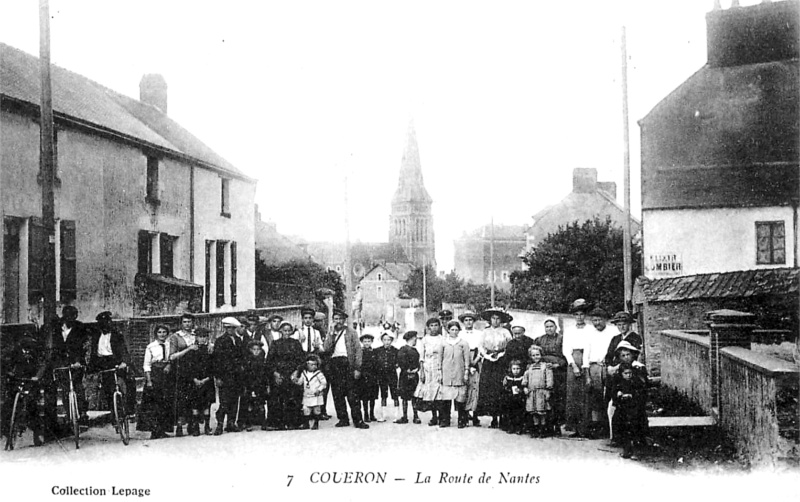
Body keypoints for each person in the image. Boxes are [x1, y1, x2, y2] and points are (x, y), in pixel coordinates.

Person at [323, 304, 368, 429]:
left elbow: (358, 350)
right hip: (334, 364)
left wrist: (357, 368)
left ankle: (358, 420)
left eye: (340, 319)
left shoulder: (351, 332)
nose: (338, 321)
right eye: (336, 319)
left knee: (352, 394)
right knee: (337, 393)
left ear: (344, 320)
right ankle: (343, 419)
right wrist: (331, 334)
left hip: (347, 363)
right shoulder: (331, 333)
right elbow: (326, 348)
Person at [46, 305, 89, 433]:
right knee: (65, 388)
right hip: (61, 362)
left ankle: (82, 412)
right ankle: (69, 414)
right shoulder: (57, 328)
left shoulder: (80, 328)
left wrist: (79, 361)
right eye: (68, 317)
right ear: (64, 316)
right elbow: (54, 346)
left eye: (73, 317)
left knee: (77, 386)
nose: (70, 320)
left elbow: (84, 346)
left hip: (76, 362)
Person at [1, 331, 47, 446]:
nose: (28, 349)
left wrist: (37, 376)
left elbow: (42, 365)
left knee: (33, 406)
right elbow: (7, 366)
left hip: (31, 381)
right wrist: (10, 374)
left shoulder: (36, 354)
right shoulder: (14, 353)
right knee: (9, 406)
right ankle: (7, 434)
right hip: (16, 381)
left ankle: (36, 435)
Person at [88, 311, 134, 421]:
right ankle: (114, 414)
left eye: (107, 322)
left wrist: (124, 362)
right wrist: (91, 368)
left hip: (116, 361)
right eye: (102, 323)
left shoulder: (117, 335)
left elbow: (123, 350)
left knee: (128, 383)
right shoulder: (96, 336)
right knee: (107, 389)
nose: (105, 325)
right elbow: (93, 353)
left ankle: (129, 410)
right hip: (102, 363)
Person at [583, 307, 618, 438]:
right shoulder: (589, 333)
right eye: (594, 320)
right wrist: (587, 374)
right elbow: (586, 354)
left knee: (609, 395)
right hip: (594, 368)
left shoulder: (613, 332)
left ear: (605, 319)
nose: (596, 323)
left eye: (599, 320)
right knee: (596, 397)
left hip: (608, 367)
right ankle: (597, 427)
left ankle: (609, 427)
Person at [606, 340, 649, 446]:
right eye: (623, 355)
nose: (626, 357)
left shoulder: (638, 367)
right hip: (621, 399)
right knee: (612, 409)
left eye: (628, 354)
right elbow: (613, 385)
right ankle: (616, 438)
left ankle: (640, 438)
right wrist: (617, 394)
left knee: (637, 413)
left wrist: (634, 394)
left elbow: (643, 385)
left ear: (632, 355)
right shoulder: (618, 368)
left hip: (636, 397)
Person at [476, 307, 513, 428]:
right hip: (489, 361)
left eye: (498, 319)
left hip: (501, 361)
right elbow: (480, 346)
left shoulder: (506, 332)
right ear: (490, 320)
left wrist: (501, 354)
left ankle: (501, 416)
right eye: (493, 318)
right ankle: (493, 417)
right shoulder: (485, 332)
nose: (495, 321)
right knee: (489, 388)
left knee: (500, 388)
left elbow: (509, 346)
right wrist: (487, 355)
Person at [265, 321, 305, 430]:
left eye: (289, 331)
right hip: (279, 374)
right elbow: (269, 361)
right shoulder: (275, 344)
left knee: (293, 398)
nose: (286, 333)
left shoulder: (296, 343)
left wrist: (297, 372)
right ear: (280, 331)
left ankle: (293, 422)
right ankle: (277, 423)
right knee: (276, 399)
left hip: (292, 374)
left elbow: (301, 360)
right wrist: (275, 373)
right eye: (284, 330)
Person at [532, 317, 567, 436]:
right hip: (543, 372)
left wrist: (558, 364)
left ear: (556, 327)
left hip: (558, 372)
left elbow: (566, 354)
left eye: (551, 326)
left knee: (557, 399)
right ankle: (545, 426)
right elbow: (534, 353)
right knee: (544, 398)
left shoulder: (561, 339)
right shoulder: (540, 339)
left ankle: (556, 426)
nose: (549, 328)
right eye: (547, 326)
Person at [213, 317, 246, 435]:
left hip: (237, 376)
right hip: (225, 375)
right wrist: (218, 377)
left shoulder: (238, 340)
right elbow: (216, 360)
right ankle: (220, 424)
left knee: (235, 400)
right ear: (225, 328)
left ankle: (231, 423)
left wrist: (242, 368)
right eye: (228, 328)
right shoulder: (220, 341)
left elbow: (242, 357)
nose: (230, 330)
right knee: (224, 401)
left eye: (232, 328)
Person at [139, 324, 173, 439]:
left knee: (166, 401)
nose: (162, 334)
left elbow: (172, 357)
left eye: (164, 332)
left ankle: (163, 429)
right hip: (155, 374)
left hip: (167, 373)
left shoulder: (170, 345)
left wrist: (169, 365)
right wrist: (149, 380)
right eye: (159, 332)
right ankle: (154, 430)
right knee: (154, 404)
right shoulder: (150, 347)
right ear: (155, 334)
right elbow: (147, 364)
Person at [563, 299, 591, 437]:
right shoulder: (569, 330)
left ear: (585, 315)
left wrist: (584, 366)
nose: (579, 317)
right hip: (573, 360)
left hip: (586, 359)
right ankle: (573, 427)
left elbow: (589, 347)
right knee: (573, 394)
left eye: (581, 314)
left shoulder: (590, 329)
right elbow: (565, 349)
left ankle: (584, 428)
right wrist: (573, 365)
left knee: (585, 394)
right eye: (576, 314)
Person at [167, 313, 198, 437]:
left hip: (195, 369)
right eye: (185, 322)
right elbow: (172, 356)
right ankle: (179, 426)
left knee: (194, 397)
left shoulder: (196, 335)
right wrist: (188, 349)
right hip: (181, 371)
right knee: (181, 398)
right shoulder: (176, 337)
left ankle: (192, 424)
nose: (187, 324)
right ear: (181, 323)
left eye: (189, 322)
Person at [610, 362, 648, 459]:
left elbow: (641, 394)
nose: (628, 375)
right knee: (623, 429)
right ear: (621, 374)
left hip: (634, 409)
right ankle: (626, 450)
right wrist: (618, 395)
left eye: (630, 373)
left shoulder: (636, 382)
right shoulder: (618, 382)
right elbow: (613, 395)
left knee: (635, 430)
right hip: (623, 409)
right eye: (625, 373)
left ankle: (636, 451)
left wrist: (632, 395)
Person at [439, 320, 471, 428]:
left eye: (456, 329)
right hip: (447, 374)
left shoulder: (463, 343)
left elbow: (467, 359)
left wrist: (466, 372)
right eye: (452, 329)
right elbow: (440, 359)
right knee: (446, 399)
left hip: (459, 373)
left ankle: (461, 420)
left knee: (460, 398)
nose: (454, 332)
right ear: (448, 330)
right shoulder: (443, 343)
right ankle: (445, 420)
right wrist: (439, 372)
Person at [183, 327, 215, 436]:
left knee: (207, 405)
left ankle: (207, 426)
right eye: (200, 337)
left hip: (207, 380)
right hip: (194, 381)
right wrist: (194, 379)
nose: (202, 339)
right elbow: (188, 367)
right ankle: (195, 427)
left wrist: (206, 379)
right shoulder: (191, 350)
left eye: (204, 337)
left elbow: (213, 367)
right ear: (196, 337)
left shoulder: (210, 350)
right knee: (195, 405)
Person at [415, 317, 445, 427]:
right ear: (428, 327)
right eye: (431, 326)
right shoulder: (424, 340)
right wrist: (422, 372)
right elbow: (421, 357)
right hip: (428, 368)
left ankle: (442, 417)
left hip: (438, 367)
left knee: (439, 393)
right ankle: (434, 417)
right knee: (430, 393)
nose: (434, 328)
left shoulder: (442, 339)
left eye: (436, 325)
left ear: (439, 326)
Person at [523, 345, 554, 437]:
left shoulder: (545, 366)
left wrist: (548, 390)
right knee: (534, 412)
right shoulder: (529, 367)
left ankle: (542, 429)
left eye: (537, 355)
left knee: (542, 411)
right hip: (532, 392)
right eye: (533, 355)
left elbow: (549, 378)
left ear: (541, 355)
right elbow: (525, 378)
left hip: (542, 392)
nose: (536, 357)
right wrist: (525, 387)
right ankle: (535, 429)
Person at [458, 311, 482, 426]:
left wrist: (475, 361)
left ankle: (475, 416)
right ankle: (463, 416)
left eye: (470, 320)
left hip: (477, 359)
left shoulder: (479, 334)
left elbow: (482, 348)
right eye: (466, 320)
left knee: (475, 387)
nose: (468, 322)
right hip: (463, 360)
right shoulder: (460, 334)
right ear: (463, 322)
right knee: (464, 389)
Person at [292, 354, 327, 430]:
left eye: (315, 365)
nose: (314, 366)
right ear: (307, 365)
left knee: (316, 409)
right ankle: (306, 423)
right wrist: (295, 380)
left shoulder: (319, 374)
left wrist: (319, 389)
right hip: (307, 394)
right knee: (306, 409)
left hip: (316, 394)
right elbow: (300, 382)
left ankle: (316, 423)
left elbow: (324, 383)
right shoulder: (304, 374)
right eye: (312, 365)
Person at [243, 340, 269, 431]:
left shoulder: (263, 362)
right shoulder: (247, 362)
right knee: (250, 405)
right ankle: (249, 423)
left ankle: (263, 422)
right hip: (250, 385)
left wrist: (267, 386)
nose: (256, 351)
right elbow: (245, 375)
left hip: (260, 385)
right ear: (250, 350)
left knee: (261, 404)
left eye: (258, 349)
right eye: (254, 349)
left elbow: (266, 375)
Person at [395, 331, 421, 424]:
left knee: (414, 395)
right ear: (411, 338)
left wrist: (416, 369)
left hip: (414, 376)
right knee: (405, 397)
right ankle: (405, 416)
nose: (416, 340)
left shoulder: (415, 350)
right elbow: (401, 362)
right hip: (405, 376)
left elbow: (418, 362)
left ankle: (415, 416)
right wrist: (408, 371)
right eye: (415, 338)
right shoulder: (403, 350)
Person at [374, 332, 399, 422]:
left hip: (392, 375)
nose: (387, 342)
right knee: (383, 394)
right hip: (382, 375)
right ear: (382, 340)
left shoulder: (396, 350)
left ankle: (396, 415)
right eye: (385, 340)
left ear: (392, 340)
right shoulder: (377, 351)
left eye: (389, 340)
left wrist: (396, 364)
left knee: (395, 394)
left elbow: (398, 362)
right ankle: (383, 415)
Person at [357, 333, 379, 423]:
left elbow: (377, 364)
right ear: (362, 342)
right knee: (365, 398)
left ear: (372, 342)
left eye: (369, 341)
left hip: (373, 377)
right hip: (363, 377)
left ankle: (372, 413)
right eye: (365, 341)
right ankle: (366, 414)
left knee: (372, 397)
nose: (367, 343)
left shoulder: (374, 352)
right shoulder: (360, 352)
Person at [501, 360, 526, 435]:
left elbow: (523, 386)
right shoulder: (508, 377)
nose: (516, 371)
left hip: (518, 399)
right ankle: (511, 427)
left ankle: (518, 427)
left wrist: (520, 390)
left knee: (518, 413)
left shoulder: (522, 378)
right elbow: (504, 386)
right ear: (511, 369)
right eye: (514, 369)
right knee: (510, 412)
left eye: (518, 369)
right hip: (510, 398)